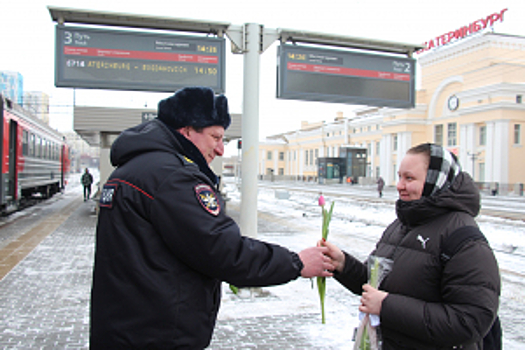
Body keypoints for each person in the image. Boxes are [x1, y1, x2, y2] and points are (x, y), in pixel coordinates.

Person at [89, 87, 334, 349]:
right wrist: (296, 263)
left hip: (123, 329)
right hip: (157, 336)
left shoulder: (132, 169)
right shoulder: (173, 177)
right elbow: (223, 251)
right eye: (215, 137)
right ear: (186, 131)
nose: (219, 150)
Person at [323, 143, 500, 349]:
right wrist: (342, 264)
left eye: (409, 178)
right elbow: (375, 284)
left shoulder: (465, 240)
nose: (399, 185)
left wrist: (386, 306)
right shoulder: (401, 225)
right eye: (399, 176)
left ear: (436, 181)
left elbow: (469, 322)